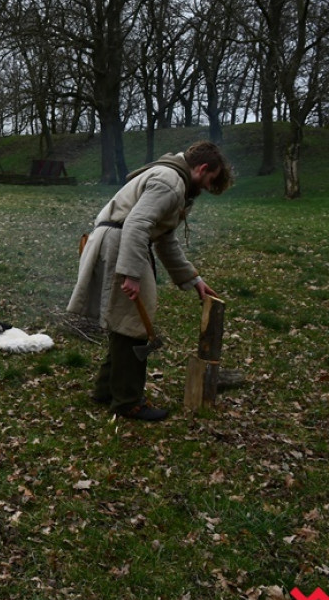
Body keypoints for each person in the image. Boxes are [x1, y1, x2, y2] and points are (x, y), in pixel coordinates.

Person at [67, 141, 234, 421]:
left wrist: (193, 279)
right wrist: (131, 274)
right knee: (132, 325)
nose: (206, 187)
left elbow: (165, 240)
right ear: (202, 167)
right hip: (122, 243)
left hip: (120, 241)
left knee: (125, 322)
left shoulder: (172, 180)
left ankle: (107, 390)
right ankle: (128, 402)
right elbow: (137, 224)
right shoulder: (170, 182)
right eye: (209, 180)